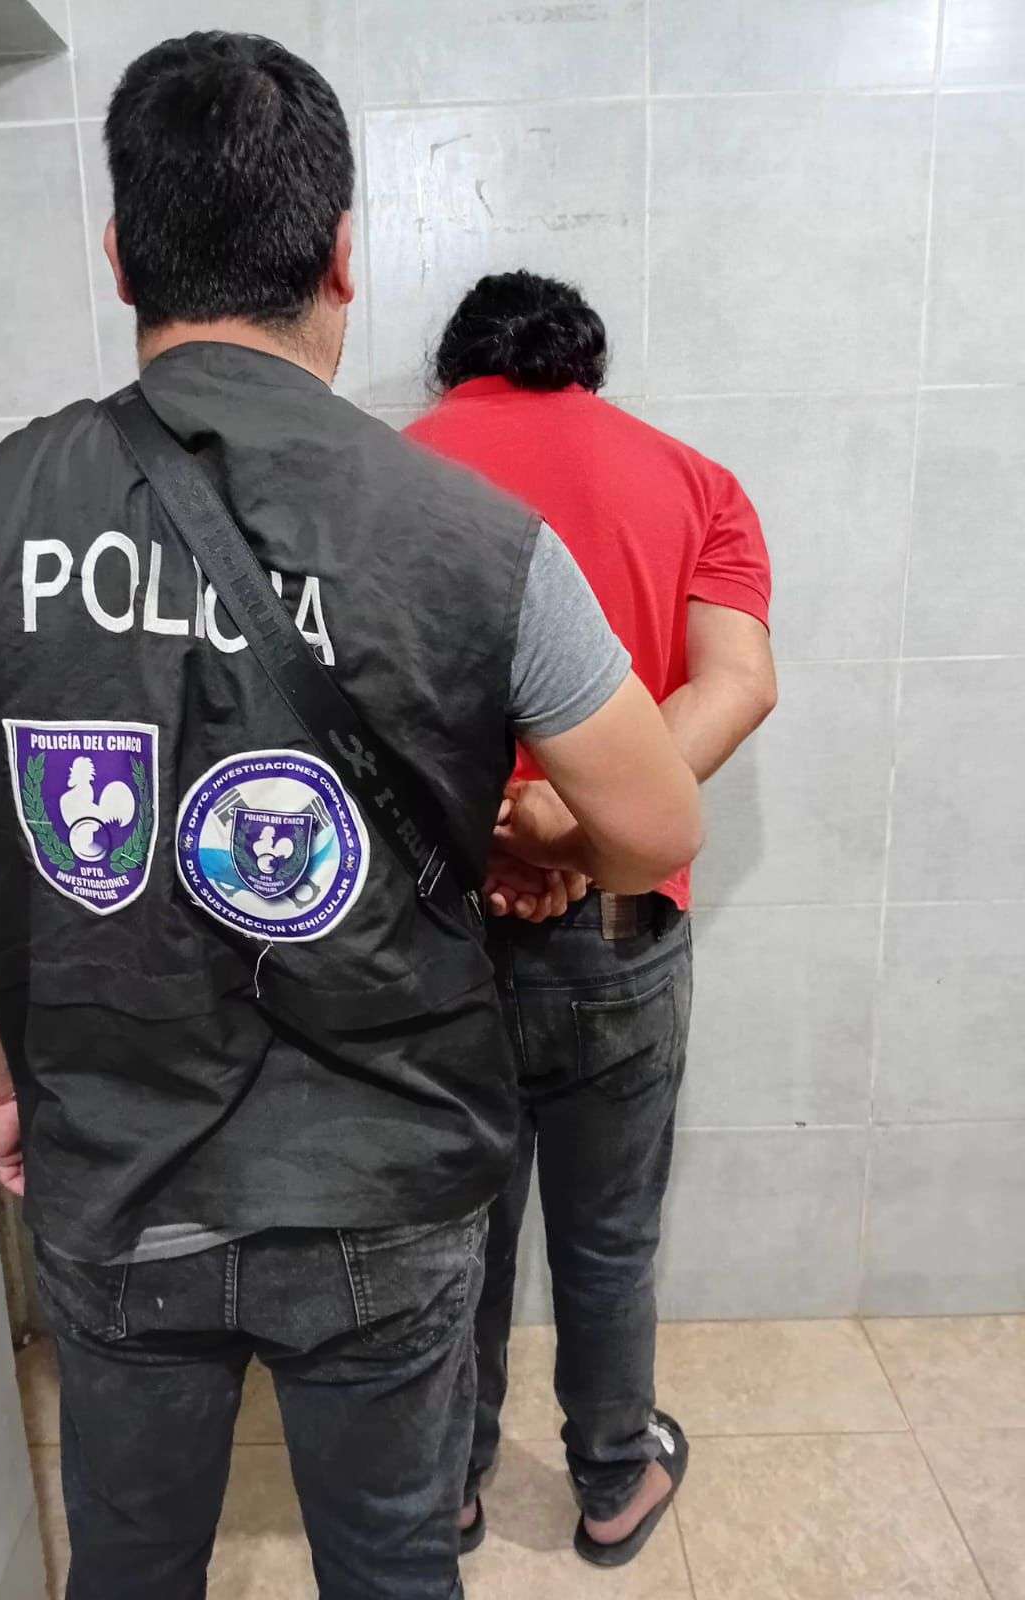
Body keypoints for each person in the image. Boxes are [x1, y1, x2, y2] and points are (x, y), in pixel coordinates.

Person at [0, 40, 701, 1600]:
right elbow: (653, 827)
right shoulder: (474, 537)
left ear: (121, 254)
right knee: (389, 1564)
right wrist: (535, 839)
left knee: (131, 1563)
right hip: (380, 1174)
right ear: (340, 257)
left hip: (114, 1167)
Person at [406, 270, 776, 1567]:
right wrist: (578, 821)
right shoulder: (694, 480)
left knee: (453, 1240)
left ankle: (448, 1490)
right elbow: (740, 683)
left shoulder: (383, 477)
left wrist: (497, 829)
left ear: (456, 367)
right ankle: (615, 1480)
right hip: (618, 931)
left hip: (434, 934)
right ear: (587, 366)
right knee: (610, 1240)